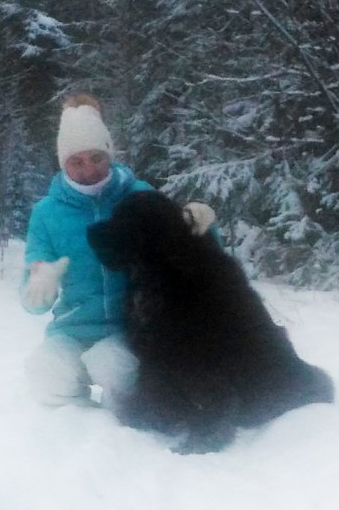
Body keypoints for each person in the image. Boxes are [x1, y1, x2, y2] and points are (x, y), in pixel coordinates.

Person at [21, 93, 216, 408]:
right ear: (62, 162)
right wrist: (37, 288)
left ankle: (126, 434)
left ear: (109, 152)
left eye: (96, 157)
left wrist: (202, 226)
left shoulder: (139, 195)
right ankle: (78, 433)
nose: (88, 169)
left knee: (113, 367)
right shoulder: (46, 213)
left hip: (129, 329)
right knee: (45, 373)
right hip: (70, 329)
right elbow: (31, 299)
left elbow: (188, 250)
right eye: (77, 161)